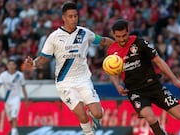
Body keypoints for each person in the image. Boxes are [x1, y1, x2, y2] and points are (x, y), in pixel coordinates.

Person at [24, 2, 113, 135]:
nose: (73, 19)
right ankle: (89, 133)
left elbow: (103, 41)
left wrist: (121, 46)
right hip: (65, 83)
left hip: (83, 80)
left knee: (98, 114)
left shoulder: (84, 33)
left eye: (75, 16)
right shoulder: (54, 37)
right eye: (70, 16)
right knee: (82, 116)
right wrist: (34, 64)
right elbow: (44, 58)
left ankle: (96, 115)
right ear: (64, 18)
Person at [107, 19, 180, 135]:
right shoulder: (112, 51)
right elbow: (112, 72)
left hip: (153, 85)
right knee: (149, 116)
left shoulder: (140, 43)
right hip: (135, 91)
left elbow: (158, 61)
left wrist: (174, 80)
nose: (122, 39)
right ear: (113, 34)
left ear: (128, 32)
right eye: (118, 36)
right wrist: (117, 84)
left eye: (124, 35)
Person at [0, 59, 28, 135]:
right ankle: (14, 130)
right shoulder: (3, 75)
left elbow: (23, 87)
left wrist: (26, 99)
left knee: (14, 116)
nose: (11, 66)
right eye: (9, 64)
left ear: (15, 66)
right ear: (7, 66)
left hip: (16, 99)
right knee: (10, 119)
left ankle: (14, 133)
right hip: (7, 100)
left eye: (12, 64)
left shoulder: (20, 75)